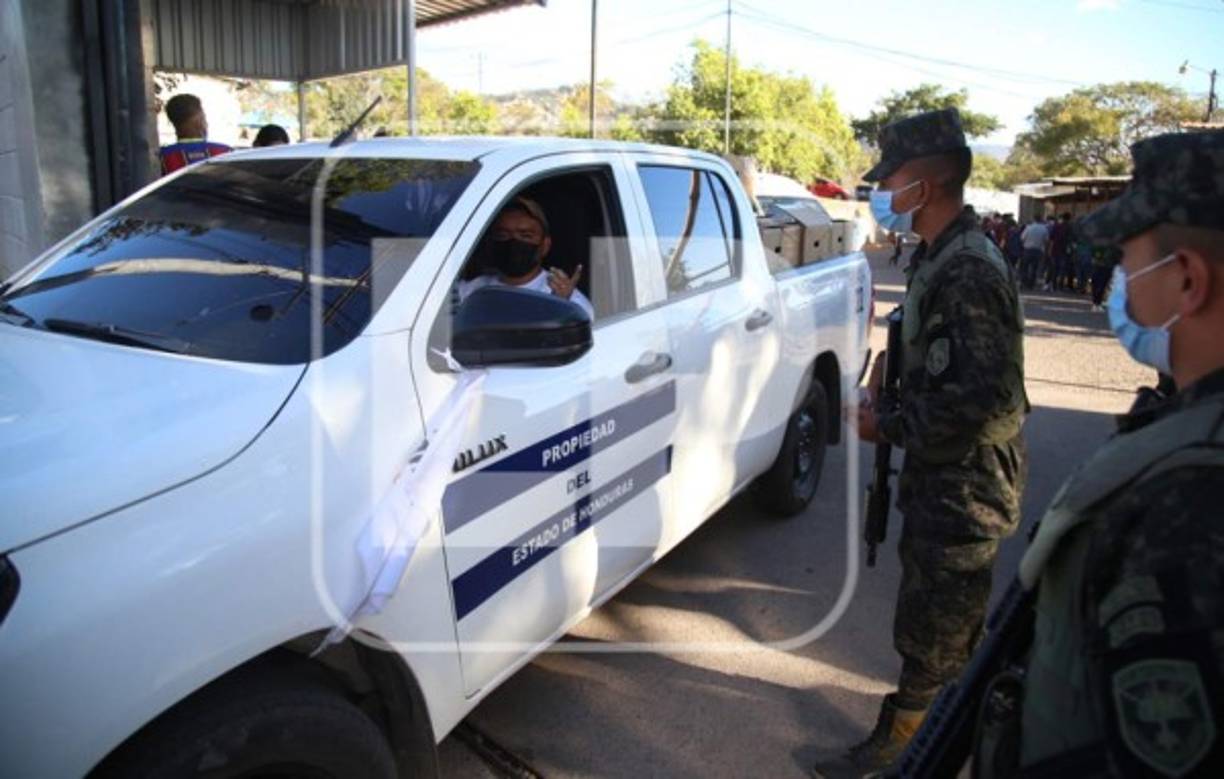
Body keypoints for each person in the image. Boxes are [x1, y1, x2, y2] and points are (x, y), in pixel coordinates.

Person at [965, 128, 1224, 778]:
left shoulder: (1184, 497)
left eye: (1130, 260)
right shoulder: (1182, 437)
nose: (1121, 284)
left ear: (1187, 279)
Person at [814, 108, 1029, 778]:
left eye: (891, 180)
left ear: (925, 188)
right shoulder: (942, 255)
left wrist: (888, 426)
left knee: (939, 633)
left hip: (963, 488)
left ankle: (916, 751)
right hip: (944, 479)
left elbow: (981, 404)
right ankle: (916, 728)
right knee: (930, 622)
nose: (882, 191)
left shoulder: (968, 270)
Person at [459, 197, 595, 320]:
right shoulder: (470, 292)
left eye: (525, 236)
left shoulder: (566, 300)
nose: (513, 242)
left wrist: (558, 310)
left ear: (545, 246)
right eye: (503, 235)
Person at [159, 94, 231, 175]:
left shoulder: (162, 157)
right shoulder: (224, 152)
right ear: (198, 121)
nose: (207, 123)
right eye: (204, 117)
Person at [1020, 217, 1050, 289]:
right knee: (1034, 267)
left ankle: (1024, 282)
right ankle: (1031, 284)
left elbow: (1022, 238)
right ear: (1041, 220)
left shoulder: (1028, 228)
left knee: (1025, 267)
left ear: (1034, 220)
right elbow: (1046, 240)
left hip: (1027, 249)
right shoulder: (1044, 229)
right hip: (1038, 250)